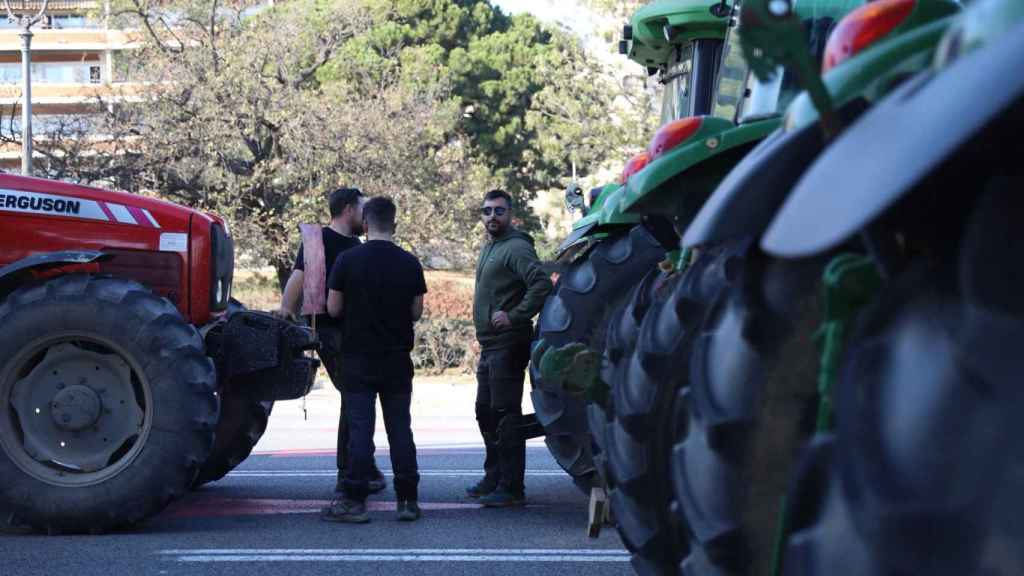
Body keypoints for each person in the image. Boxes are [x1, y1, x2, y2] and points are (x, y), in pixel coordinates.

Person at [272, 187, 385, 494]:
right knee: (354, 396)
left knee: (356, 397)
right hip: (331, 331)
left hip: (355, 332)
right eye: (363, 207)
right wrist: (286, 311)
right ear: (348, 208)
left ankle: (362, 465)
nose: (366, 213)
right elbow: (299, 275)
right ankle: (351, 470)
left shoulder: (357, 243)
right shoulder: (318, 239)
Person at [321, 196, 426, 523]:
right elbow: (416, 312)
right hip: (396, 361)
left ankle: (354, 502)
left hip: (357, 360)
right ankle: (407, 501)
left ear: (365, 224)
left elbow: (333, 308)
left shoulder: (348, 261)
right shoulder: (410, 263)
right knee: (400, 430)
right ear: (394, 224)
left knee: (360, 431)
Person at [469, 189, 553, 507]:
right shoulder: (491, 247)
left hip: (508, 344)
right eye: (487, 211)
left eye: (499, 211)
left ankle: (511, 487)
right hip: (490, 345)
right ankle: (493, 477)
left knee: (505, 416)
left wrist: (515, 315)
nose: (492, 216)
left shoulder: (516, 247)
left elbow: (541, 284)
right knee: (485, 412)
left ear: (511, 214)